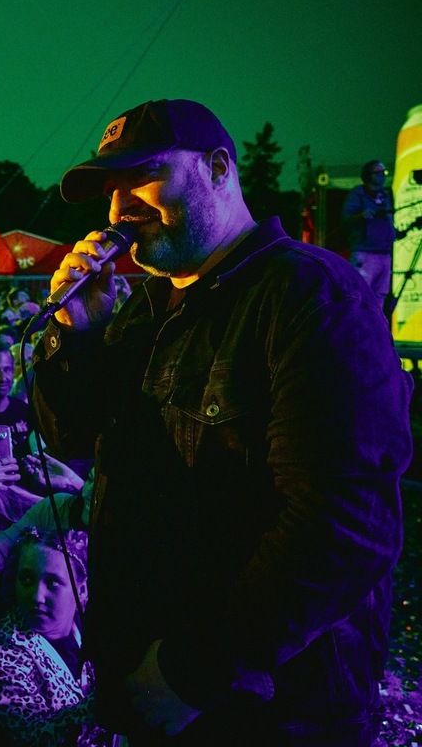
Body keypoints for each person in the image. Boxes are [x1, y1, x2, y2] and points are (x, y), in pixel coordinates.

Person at [36, 99, 411, 744]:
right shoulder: (150, 303)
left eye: (142, 176)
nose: (120, 206)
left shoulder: (310, 295)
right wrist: (79, 337)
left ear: (217, 170)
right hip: (158, 685)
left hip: (269, 708)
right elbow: (68, 436)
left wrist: (196, 670)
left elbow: (347, 523)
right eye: (110, 189)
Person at [0, 527, 108, 746]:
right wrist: (104, 702)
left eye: (53, 583)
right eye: (27, 579)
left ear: (82, 589)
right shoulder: (3, 648)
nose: (37, 597)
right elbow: (34, 735)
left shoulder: (91, 623)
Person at [342, 159, 397, 317]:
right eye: (378, 172)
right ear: (368, 175)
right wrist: (361, 215)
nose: (382, 176)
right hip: (365, 253)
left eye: (384, 173)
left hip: (384, 253)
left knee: (380, 295)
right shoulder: (358, 195)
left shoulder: (385, 196)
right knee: (360, 294)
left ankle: (374, 330)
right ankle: (356, 330)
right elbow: (346, 220)